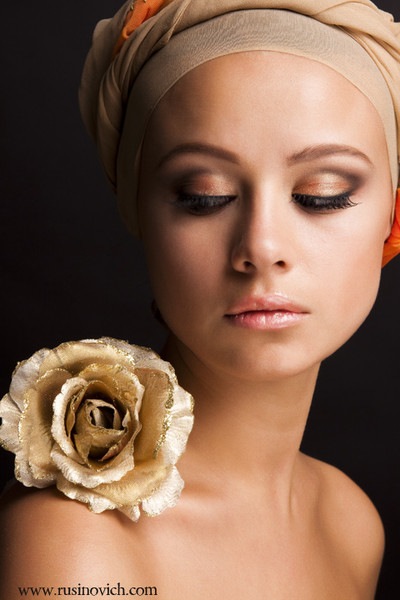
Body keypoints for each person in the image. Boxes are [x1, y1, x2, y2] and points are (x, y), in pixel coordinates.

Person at [1, 0, 400, 598]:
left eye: (323, 194)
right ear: (140, 212)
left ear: (393, 216)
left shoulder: (350, 523)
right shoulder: (75, 542)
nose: (261, 247)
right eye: (204, 197)